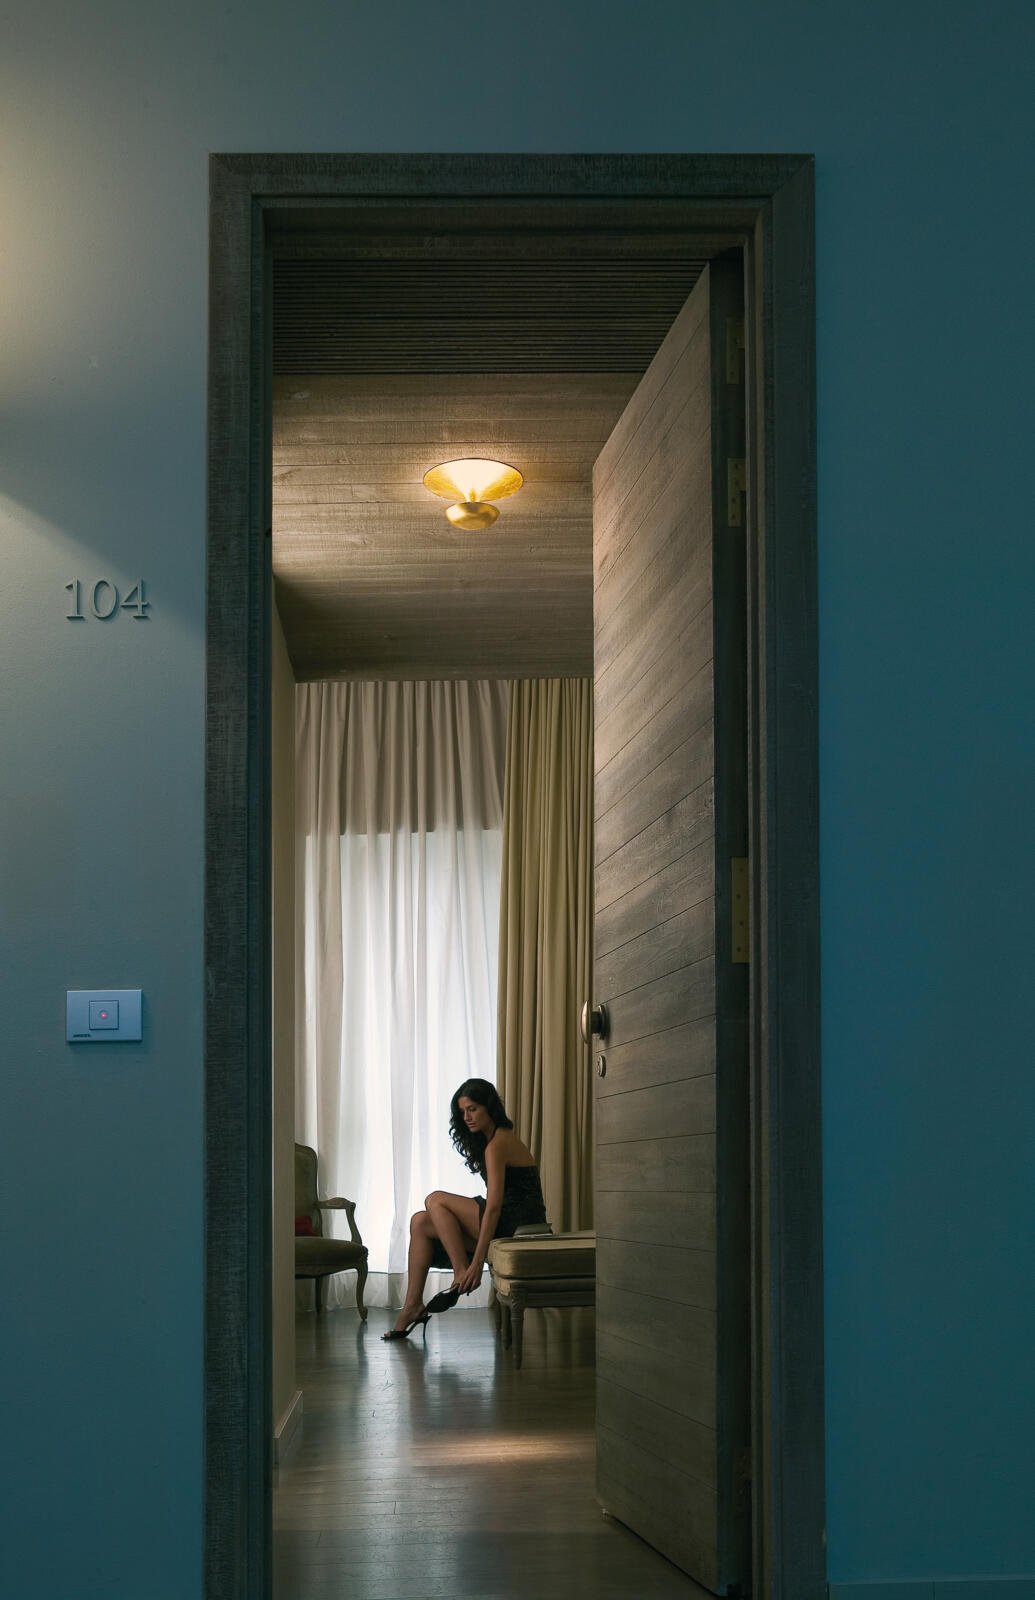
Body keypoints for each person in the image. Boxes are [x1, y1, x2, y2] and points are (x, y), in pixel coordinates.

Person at [382, 1077, 547, 1340]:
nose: (467, 1117)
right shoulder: (490, 1141)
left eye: (473, 1109)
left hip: (518, 1223)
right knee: (420, 1222)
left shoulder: (499, 1142)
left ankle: (461, 1271)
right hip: (507, 1218)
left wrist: (476, 1264)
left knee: (435, 1199)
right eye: (462, 1112)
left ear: (489, 1108)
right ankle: (412, 1305)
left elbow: (494, 1208)